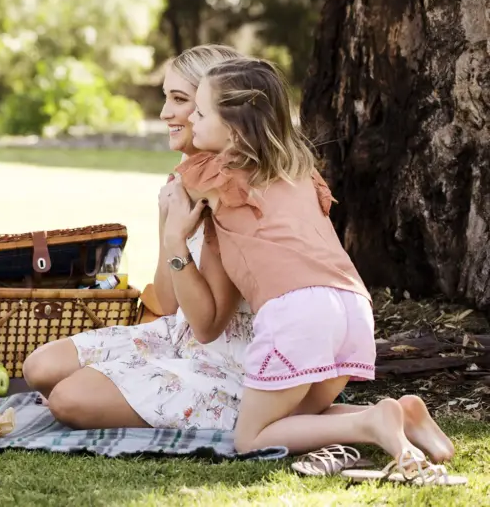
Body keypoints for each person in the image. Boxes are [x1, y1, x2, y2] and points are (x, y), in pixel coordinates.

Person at [169, 56, 456, 478]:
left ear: (233, 128)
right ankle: (401, 415)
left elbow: (176, 197)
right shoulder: (299, 168)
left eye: (200, 111)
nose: (190, 119)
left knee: (250, 436)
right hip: (351, 305)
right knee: (300, 412)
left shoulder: (206, 172)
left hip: (296, 311)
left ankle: (368, 424)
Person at [22, 44, 255, 430]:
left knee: (67, 400)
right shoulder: (181, 180)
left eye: (179, 100)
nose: (165, 113)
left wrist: (179, 241)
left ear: (215, 110)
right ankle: (132, 384)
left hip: (227, 358)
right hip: (178, 333)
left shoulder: (228, 190)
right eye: (167, 97)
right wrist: (168, 222)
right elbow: (165, 301)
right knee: (40, 367)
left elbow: (209, 326)